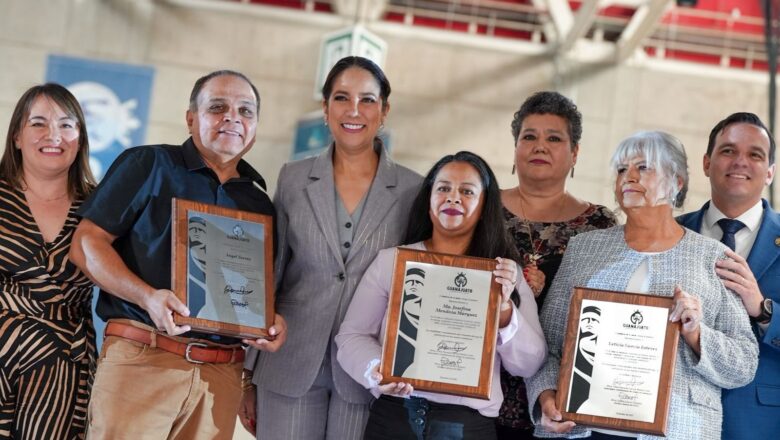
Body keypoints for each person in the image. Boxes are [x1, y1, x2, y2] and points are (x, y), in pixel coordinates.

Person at [68, 70, 286, 440]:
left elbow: (251, 293)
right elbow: (86, 244)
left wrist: (269, 322)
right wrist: (148, 298)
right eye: (217, 107)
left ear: (255, 126)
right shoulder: (148, 165)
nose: (232, 117)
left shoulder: (259, 204)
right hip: (143, 359)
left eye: (245, 111)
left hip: (220, 377)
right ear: (190, 118)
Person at [526, 130, 758, 440]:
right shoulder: (583, 248)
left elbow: (744, 363)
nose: (629, 177)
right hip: (581, 431)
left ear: (676, 182)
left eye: (644, 167)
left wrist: (696, 333)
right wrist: (545, 396)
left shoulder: (714, 257)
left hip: (677, 431)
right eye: (622, 169)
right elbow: (547, 345)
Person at [241, 56, 422, 440]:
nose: (353, 110)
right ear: (325, 109)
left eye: (367, 100)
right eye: (341, 98)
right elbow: (271, 274)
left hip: (368, 372)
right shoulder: (292, 178)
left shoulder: (413, 189)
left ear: (384, 111)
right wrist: (247, 372)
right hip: (289, 361)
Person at [336, 151, 547, 440]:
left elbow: (529, 365)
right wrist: (376, 370)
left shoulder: (504, 274)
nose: (453, 198)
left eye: (467, 191)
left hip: (467, 427)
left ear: (484, 205)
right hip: (393, 417)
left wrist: (504, 311)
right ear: (429, 199)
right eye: (443, 188)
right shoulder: (392, 262)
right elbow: (351, 336)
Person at [497, 91, 616, 439]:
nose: (540, 146)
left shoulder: (600, 224)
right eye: (529, 137)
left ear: (575, 153)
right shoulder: (483, 207)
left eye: (554, 138)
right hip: (479, 382)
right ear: (515, 147)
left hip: (558, 396)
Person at [0, 83, 97, 439]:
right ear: (17, 137)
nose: (53, 135)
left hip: (61, 370)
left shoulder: (102, 207)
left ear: (80, 139)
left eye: (66, 125)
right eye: (38, 123)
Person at [677, 112, 780, 439]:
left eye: (755, 155)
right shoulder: (669, 232)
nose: (740, 162)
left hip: (758, 423)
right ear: (706, 163)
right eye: (728, 150)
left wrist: (763, 309)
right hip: (675, 418)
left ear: (770, 172)